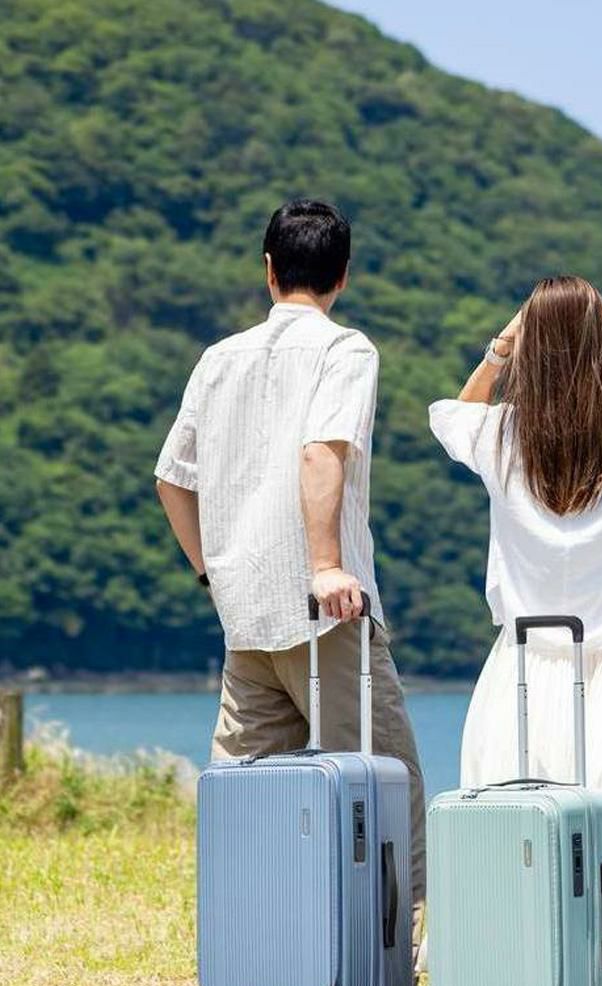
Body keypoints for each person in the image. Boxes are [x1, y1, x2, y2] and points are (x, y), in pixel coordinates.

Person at [154, 199, 426, 943]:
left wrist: (211, 573)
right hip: (326, 615)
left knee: (243, 804)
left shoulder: (218, 358)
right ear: (344, 274)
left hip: (244, 618)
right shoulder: (346, 351)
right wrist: (327, 565)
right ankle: (391, 969)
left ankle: (250, 962)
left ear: (268, 270)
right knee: (384, 791)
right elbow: (321, 451)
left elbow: (172, 480)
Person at [428, 275, 602, 986]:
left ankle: (503, 972)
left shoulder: (501, 438)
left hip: (520, 663)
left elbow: (453, 413)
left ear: (530, 348)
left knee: (508, 823)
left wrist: (500, 349)